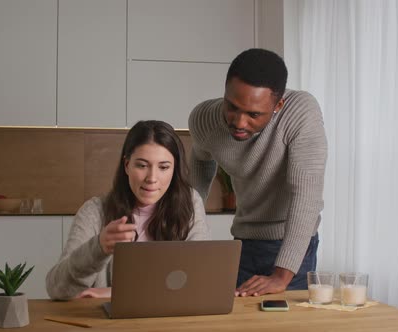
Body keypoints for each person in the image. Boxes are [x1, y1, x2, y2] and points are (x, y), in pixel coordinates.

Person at [188, 48, 327, 297]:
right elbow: (200, 162)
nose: (239, 122)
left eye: (253, 114)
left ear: (278, 105)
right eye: (232, 107)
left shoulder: (301, 112)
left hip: (292, 245)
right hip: (243, 242)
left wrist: (281, 275)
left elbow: (306, 197)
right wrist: (186, 221)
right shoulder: (204, 118)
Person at [46, 120, 210, 300]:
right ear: (127, 165)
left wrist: (112, 293)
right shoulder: (94, 212)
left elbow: (198, 280)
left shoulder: (190, 203)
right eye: (142, 165)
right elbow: (57, 289)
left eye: (163, 167)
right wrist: (99, 247)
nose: (152, 178)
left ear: (174, 169)